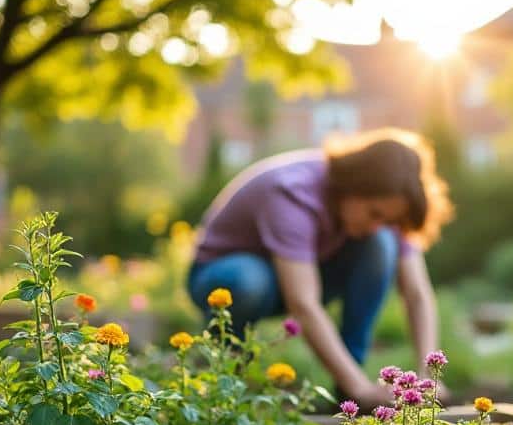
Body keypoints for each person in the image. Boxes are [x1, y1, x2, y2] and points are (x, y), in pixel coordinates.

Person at [188, 128, 452, 409]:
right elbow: (303, 304)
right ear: (353, 186)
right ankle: (225, 376)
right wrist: (362, 388)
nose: (378, 225)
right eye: (374, 213)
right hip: (225, 279)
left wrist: (429, 375)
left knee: (382, 245)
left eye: (388, 219)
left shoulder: (387, 206)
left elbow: (416, 292)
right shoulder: (292, 193)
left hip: (300, 274)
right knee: (250, 281)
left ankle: (347, 388)